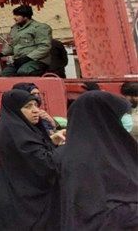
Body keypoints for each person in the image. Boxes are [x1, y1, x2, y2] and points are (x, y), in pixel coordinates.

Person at [58, 91, 138, 230]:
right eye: (121, 116)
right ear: (105, 119)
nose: (127, 120)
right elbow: (93, 214)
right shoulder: (84, 160)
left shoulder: (114, 148)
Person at [0, 89, 66, 231]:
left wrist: (52, 142)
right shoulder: (16, 133)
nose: (35, 110)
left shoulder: (17, 128)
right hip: (25, 206)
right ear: (15, 110)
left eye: (35, 105)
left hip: (20, 199)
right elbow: (45, 164)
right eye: (28, 106)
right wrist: (66, 148)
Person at [0, 5, 52, 76]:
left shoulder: (40, 27)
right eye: (14, 15)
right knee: (5, 74)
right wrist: (2, 53)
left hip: (37, 60)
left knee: (24, 71)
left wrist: (27, 58)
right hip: (19, 60)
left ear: (26, 16)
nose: (14, 18)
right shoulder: (15, 29)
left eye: (17, 15)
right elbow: (12, 45)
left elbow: (45, 47)